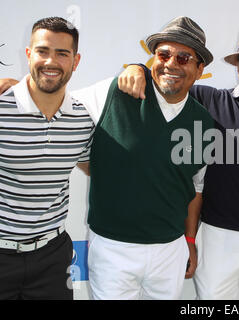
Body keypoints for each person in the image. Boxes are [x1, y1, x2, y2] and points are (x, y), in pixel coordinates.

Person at [119, 25, 239, 300]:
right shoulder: (207, 101)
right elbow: (169, 81)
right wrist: (138, 68)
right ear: (238, 67)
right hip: (217, 238)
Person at [68, 16, 215, 300]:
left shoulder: (203, 122)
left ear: (199, 69)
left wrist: (189, 241)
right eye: (163, 54)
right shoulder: (114, 92)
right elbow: (57, 107)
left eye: (184, 57)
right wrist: (20, 88)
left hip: (170, 250)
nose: (171, 63)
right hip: (113, 248)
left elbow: (195, 189)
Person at [0, 17, 93, 300]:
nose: (50, 61)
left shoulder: (83, 119)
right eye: (42, 51)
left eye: (62, 53)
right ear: (29, 55)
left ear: (75, 61)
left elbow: (96, 168)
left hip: (53, 258)